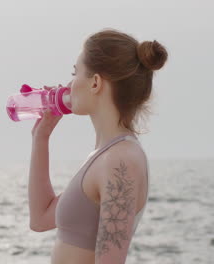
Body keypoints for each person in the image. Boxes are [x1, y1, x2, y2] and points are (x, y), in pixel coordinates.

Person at [27, 28, 168, 264]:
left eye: (75, 73)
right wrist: (40, 138)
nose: (69, 84)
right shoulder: (105, 156)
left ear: (95, 83)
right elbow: (40, 219)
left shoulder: (119, 160)